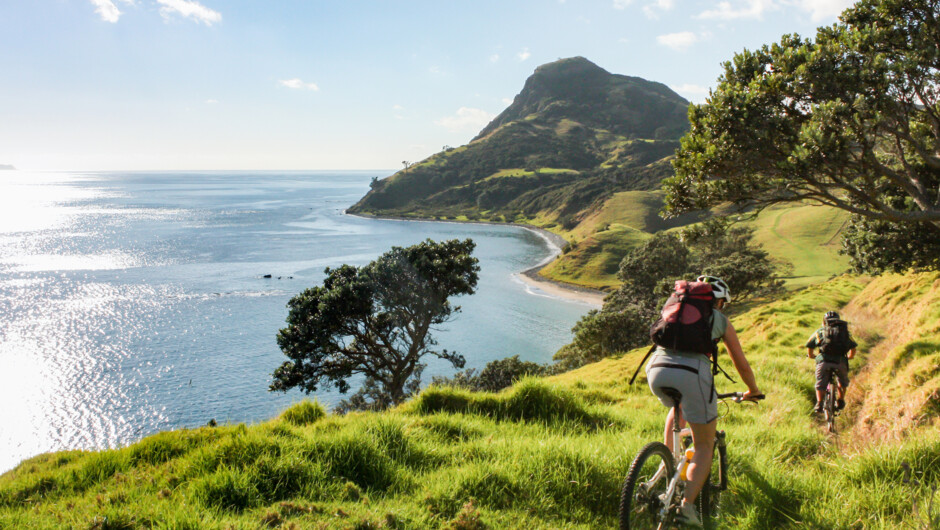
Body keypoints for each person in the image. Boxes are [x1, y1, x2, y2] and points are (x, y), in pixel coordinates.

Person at [645, 275, 762, 527]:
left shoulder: (675, 307)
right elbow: (741, 363)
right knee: (704, 445)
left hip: (655, 369)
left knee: (677, 406)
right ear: (718, 301)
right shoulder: (719, 319)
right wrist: (752, 390)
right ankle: (686, 507)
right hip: (692, 374)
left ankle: (668, 463)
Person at [806, 311, 857, 413]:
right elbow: (853, 347)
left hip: (823, 361)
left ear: (824, 322)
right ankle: (841, 400)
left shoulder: (820, 332)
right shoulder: (845, 333)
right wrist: (850, 357)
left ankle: (819, 403)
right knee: (842, 382)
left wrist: (811, 355)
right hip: (841, 362)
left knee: (820, 382)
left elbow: (809, 345)